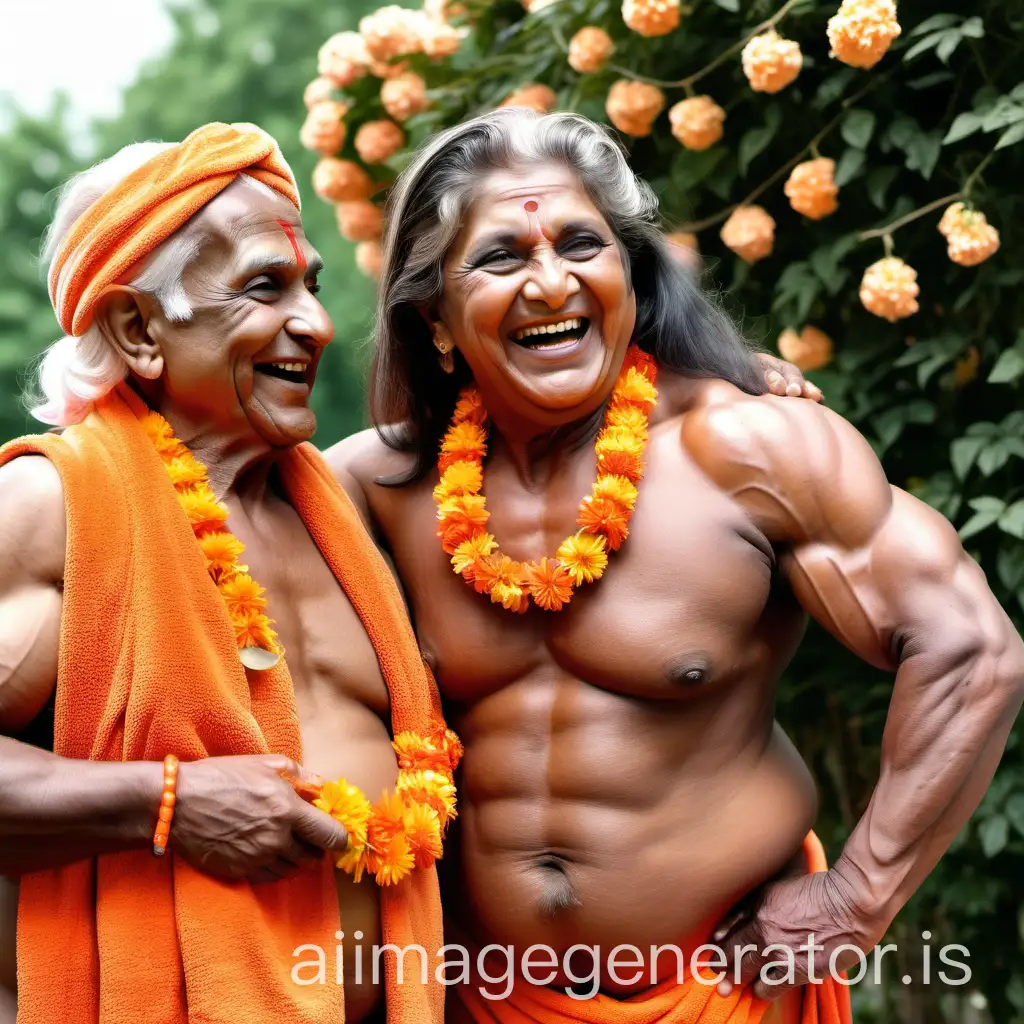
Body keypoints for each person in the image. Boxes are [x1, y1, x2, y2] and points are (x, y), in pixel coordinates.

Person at [327, 108, 1024, 1022]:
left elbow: (971, 651)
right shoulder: (372, 487)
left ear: (628, 273)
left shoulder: (752, 449)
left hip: (723, 995)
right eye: (502, 257)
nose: (551, 281)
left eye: (582, 243)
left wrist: (857, 899)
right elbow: (190, 552)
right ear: (435, 314)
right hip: (480, 998)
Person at [0, 122, 451, 1024]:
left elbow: (524, 428)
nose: (317, 324)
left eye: (312, 287)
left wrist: (714, 381)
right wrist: (165, 801)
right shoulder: (52, 504)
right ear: (138, 328)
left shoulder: (345, 502)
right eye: (263, 287)